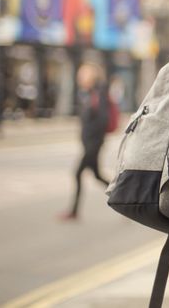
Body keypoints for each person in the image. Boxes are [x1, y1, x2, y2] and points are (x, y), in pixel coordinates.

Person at [59, 62, 110, 221]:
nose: (80, 77)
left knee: (78, 173)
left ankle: (74, 212)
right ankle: (125, 198)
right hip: (89, 143)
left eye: (83, 74)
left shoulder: (98, 93)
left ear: (92, 76)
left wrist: (92, 140)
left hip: (93, 144)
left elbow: (103, 119)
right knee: (97, 176)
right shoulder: (87, 93)